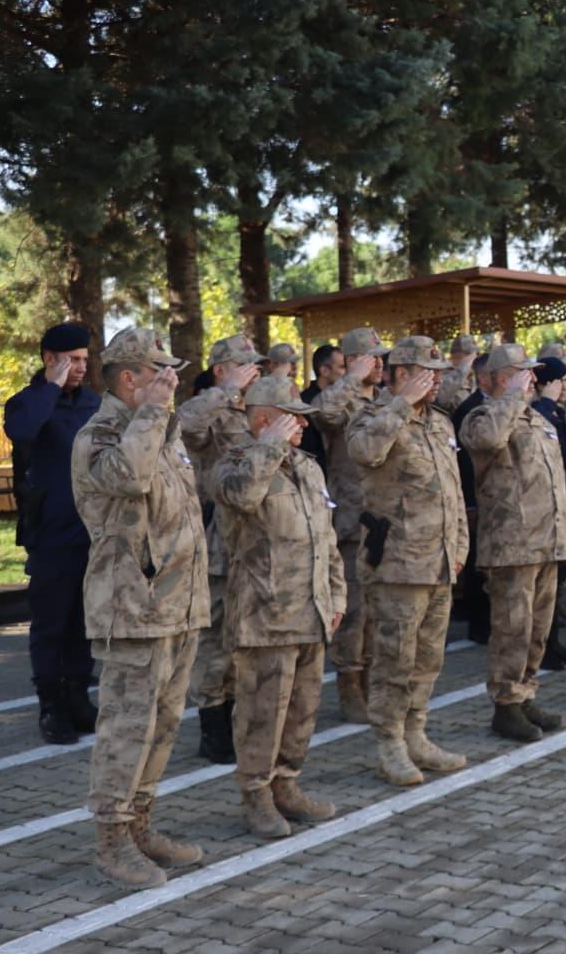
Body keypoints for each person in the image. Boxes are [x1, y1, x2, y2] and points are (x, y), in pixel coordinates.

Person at [72, 327, 206, 889]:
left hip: (177, 604)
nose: (170, 382)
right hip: (131, 607)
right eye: (160, 372)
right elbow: (129, 479)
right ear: (130, 378)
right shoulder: (100, 434)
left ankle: (141, 825)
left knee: (163, 727)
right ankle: (111, 842)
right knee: (127, 728)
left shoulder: (160, 430)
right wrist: (151, 416)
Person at [214, 376, 344, 838]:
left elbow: (325, 538)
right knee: (261, 712)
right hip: (264, 614)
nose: (304, 425)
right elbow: (241, 496)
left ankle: (287, 785)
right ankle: (256, 795)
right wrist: (267, 448)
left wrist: (336, 595)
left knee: (303, 708)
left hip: (310, 609)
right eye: (294, 417)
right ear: (265, 419)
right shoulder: (234, 463)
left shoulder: (307, 466)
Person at [346, 336, 469, 786]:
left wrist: (458, 549)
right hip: (398, 564)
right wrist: (400, 404)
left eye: (437, 372)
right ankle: (389, 745)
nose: (436, 380)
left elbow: (453, 492)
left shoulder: (439, 423)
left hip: (437, 563)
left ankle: (416, 734)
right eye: (425, 372)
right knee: (394, 659)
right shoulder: (371, 416)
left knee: (428, 659)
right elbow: (365, 452)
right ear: (399, 374)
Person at [459, 344, 566, 743]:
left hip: (547, 540)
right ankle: (505, 705)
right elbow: (488, 440)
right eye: (523, 372)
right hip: (512, 544)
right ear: (504, 378)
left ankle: (525, 693)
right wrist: (509, 398)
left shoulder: (533, 418)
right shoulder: (482, 415)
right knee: (512, 628)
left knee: (538, 628)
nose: (531, 379)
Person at [4, 322, 101, 744]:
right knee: (51, 624)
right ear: (51, 359)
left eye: (84, 360)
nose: (82, 367)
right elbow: (24, 432)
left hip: (91, 533)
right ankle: (50, 705)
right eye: (73, 360)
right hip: (50, 535)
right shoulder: (26, 403)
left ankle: (78, 696)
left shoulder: (94, 403)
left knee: (84, 622)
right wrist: (52, 385)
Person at [177, 333, 265, 763]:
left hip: (259, 540)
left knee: (247, 637)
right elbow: (184, 424)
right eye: (244, 364)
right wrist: (226, 392)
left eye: (256, 365)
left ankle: (238, 717)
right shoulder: (211, 408)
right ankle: (213, 727)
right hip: (220, 543)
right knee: (215, 639)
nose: (254, 371)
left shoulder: (259, 408)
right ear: (220, 370)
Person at [310, 326, 387, 723]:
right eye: (372, 358)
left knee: (377, 610)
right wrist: (351, 378)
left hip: (384, 521)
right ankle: (349, 685)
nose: (380, 365)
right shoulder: (343, 399)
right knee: (354, 611)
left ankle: (373, 678)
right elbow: (322, 413)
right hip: (353, 520)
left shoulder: (388, 400)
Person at [530, 356, 566, 671]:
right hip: (540, 513)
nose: (565, 387)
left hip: (562, 505)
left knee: (556, 585)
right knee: (541, 590)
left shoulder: (557, 413)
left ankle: (553, 642)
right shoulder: (538, 413)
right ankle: (541, 647)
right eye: (560, 380)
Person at [449, 353, 491, 645]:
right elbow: (463, 461)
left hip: (493, 498)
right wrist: (470, 502)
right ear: (483, 377)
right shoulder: (470, 409)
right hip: (475, 496)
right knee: (477, 566)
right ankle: (479, 626)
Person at [299, 344, 342, 473]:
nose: (348, 373)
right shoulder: (303, 403)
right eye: (342, 367)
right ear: (324, 371)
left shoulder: (346, 399)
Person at [434, 334, 480, 414]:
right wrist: (464, 367)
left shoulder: (474, 378)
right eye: (469, 355)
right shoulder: (443, 376)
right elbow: (441, 398)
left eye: (476, 354)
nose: (474, 359)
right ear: (453, 357)